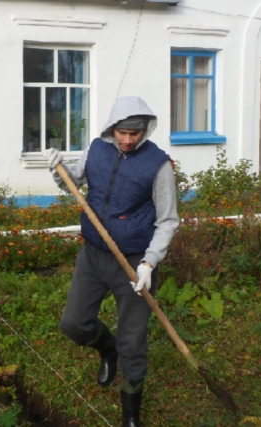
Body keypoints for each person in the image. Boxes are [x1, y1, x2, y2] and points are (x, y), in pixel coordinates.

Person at [45, 96, 179, 427]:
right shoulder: (96, 149)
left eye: (135, 133)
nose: (128, 139)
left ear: (145, 130)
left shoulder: (158, 165)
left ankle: (130, 416)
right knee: (73, 323)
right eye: (123, 132)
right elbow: (74, 183)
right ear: (112, 127)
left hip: (134, 262)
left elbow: (168, 221)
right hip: (93, 255)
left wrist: (149, 263)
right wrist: (59, 169)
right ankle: (108, 349)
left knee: (132, 341)